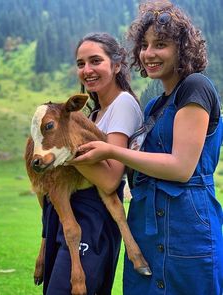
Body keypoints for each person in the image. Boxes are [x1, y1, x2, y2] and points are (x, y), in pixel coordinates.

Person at [70, 1, 223, 294]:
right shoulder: (153, 106)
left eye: (161, 44)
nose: (149, 53)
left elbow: (181, 168)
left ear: (182, 48)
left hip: (186, 228)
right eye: (144, 45)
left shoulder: (196, 87)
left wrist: (112, 151)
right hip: (145, 228)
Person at [41, 32, 143, 295]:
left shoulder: (123, 105)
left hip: (94, 218)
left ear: (117, 64)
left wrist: (62, 152)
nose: (87, 70)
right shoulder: (95, 112)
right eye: (80, 64)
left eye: (95, 61)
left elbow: (110, 179)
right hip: (74, 215)